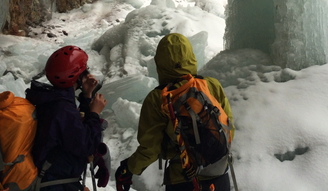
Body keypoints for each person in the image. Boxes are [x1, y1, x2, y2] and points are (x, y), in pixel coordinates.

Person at [115, 33, 235, 191]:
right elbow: (229, 126)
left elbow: (150, 148)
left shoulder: (158, 99)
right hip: (219, 176)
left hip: (183, 179)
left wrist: (129, 168)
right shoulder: (211, 85)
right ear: (190, 56)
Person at [26, 45, 107, 191]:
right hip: (55, 184)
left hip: (52, 179)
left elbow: (74, 129)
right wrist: (94, 113)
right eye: (84, 70)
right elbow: (87, 145)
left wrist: (86, 97)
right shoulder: (62, 109)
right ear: (77, 76)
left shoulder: (53, 99)